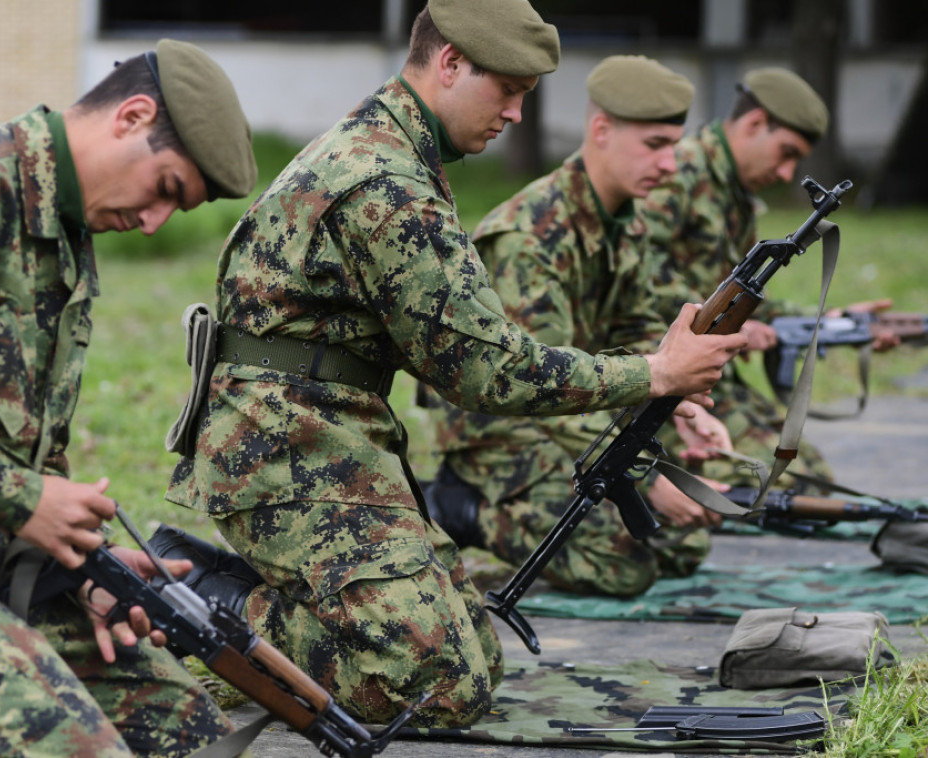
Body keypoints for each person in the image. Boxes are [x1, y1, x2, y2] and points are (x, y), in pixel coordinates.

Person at [163, 2, 746, 730]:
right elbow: (486, 371)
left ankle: (273, 590)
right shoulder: (384, 182)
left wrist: (657, 384)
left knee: (478, 655)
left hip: (326, 435)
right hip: (281, 449)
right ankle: (197, 595)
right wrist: (655, 375)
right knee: (433, 688)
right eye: (508, 91)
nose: (515, 114)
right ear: (449, 64)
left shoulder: (393, 152)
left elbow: (452, 344)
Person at [0, 39, 257, 756]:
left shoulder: (67, 230)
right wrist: (28, 498)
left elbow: (14, 442)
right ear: (131, 117)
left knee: (188, 732)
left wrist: (83, 568)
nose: (155, 222)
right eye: (166, 188)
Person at [419, 55, 730, 598]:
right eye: (655, 145)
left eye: (674, 147)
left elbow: (637, 333)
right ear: (601, 130)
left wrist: (679, 407)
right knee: (622, 563)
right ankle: (462, 506)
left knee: (683, 544)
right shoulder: (531, 237)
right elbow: (538, 385)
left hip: (577, 407)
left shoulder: (624, 221)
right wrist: (647, 474)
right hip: (503, 425)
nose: (671, 165)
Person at [641, 66, 896, 488]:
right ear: (755, 123)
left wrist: (834, 322)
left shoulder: (732, 192)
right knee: (785, 483)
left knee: (809, 471)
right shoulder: (676, 176)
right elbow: (636, 285)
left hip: (710, 380)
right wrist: (737, 327)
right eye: (786, 153)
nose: (785, 173)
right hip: (658, 380)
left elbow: (745, 297)